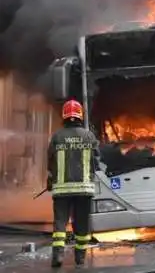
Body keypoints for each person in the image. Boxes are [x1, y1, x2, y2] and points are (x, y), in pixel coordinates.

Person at [48, 100, 102, 268]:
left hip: (61, 190)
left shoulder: (57, 136)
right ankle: (80, 258)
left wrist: (51, 179)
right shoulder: (89, 136)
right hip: (84, 189)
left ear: (64, 116)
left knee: (60, 222)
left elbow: (50, 162)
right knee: (81, 223)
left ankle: (58, 255)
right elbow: (96, 161)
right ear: (80, 115)